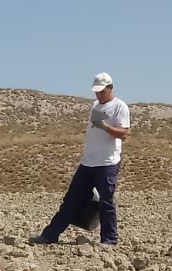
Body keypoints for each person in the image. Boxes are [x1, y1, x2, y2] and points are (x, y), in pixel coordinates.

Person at [32, 72, 131, 247]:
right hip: (87, 162)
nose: (98, 94)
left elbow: (124, 134)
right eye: (96, 91)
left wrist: (106, 127)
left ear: (110, 88)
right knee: (71, 200)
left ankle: (109, 240)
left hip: (107, 163)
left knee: (106, 202)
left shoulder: (119, 107)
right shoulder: (95, 106)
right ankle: (50, 235)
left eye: (101, 91)